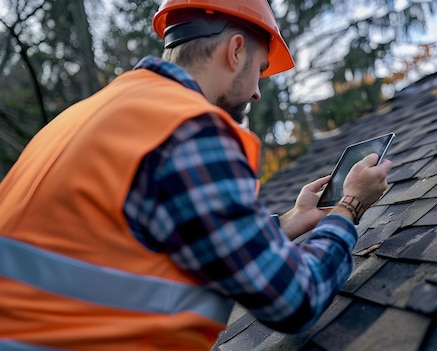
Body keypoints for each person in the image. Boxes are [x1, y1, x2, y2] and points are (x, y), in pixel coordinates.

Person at [0, 0, 392, 349]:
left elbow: (162, 241)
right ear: (236, 51)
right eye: (260, 69)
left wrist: (291, 222)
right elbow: (294, 300)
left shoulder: (86, 115)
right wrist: (350, 205)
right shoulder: (188, 127)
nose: (257, 92)